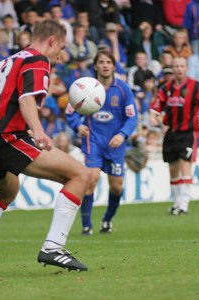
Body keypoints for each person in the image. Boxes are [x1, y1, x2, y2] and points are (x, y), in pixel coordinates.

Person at [0, 19, 91, 272]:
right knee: (80, 174)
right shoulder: (37, 59)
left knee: (8, 192)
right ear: (51, 40)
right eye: (61, 47)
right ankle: (53, 248)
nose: (60, 54)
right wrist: (40, 131)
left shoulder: (8, 61)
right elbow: (26, 99)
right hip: (5, 138)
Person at [66, 49, 138, 235]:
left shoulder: (123, 89)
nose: (105, 65)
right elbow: (69, 111)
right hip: (93, 140)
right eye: (101, 62)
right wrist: (77, 126)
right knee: (91, 179)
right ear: (96, 66)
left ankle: (106, 220)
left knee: (116, 187)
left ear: (114, 66)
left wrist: (122, 135)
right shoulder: (85, 86)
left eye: (108, 62)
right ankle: (86, 225)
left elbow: (132, 118)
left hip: (116, 144)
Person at [150, 56, 199, 215]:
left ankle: (184, 204)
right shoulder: (166, 88)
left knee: (185, 165)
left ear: (186, 68)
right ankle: (176, 202)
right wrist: (154, 118)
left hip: (188, 132)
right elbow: (155, 108)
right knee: (173, 169)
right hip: (171, 132)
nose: (179, 69)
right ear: (172, 69)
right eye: (176, 66)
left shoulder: (197, 86)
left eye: (182, 66)